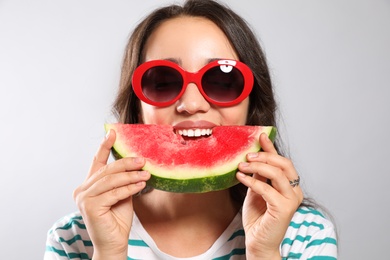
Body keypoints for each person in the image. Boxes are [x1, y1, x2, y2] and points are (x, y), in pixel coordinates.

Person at [44, 0, 337, 259]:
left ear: (253, 101)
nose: (192, 104)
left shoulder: (303, 234)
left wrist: (263, 253)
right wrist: (108, 253)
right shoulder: (74, 238)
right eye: (163, 82)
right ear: (137, 105)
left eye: (223, 81)